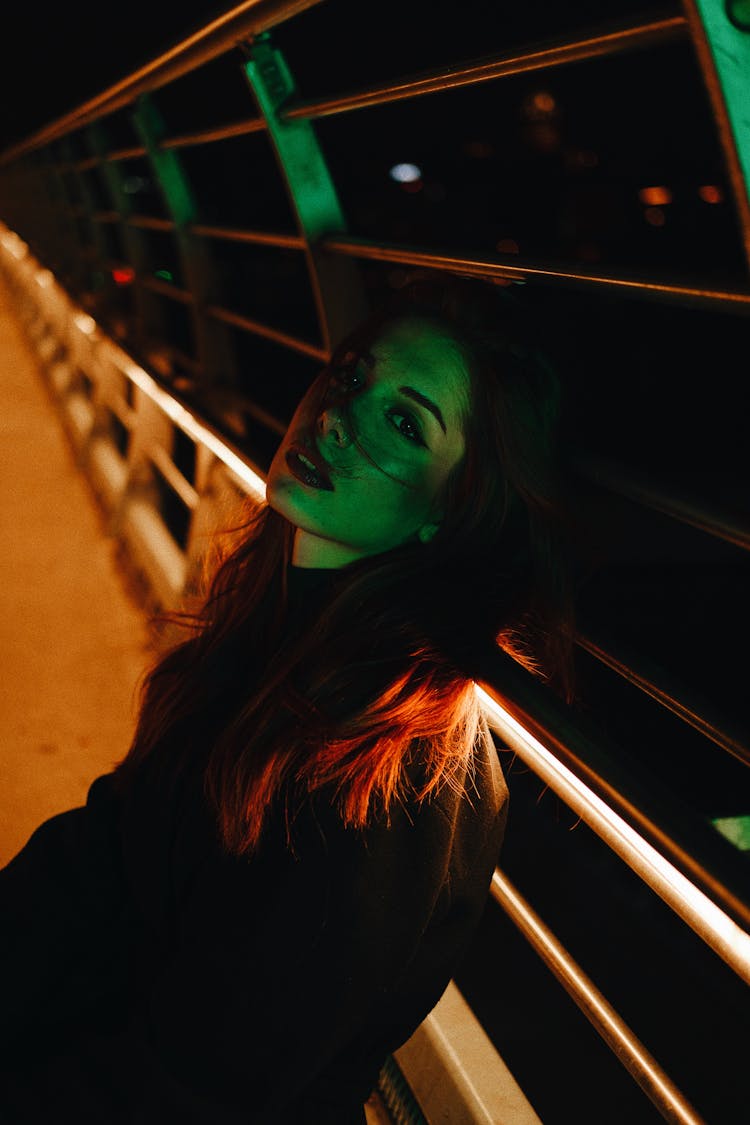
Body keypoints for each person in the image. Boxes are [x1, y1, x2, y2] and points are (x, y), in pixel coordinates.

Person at [0, 270, 575, 1124]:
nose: (338, 416)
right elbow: (107, 853)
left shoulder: (391, 773)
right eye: (351, 375)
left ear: (450, 515)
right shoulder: (281, 627)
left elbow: (197, 1088)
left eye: (403, 422)